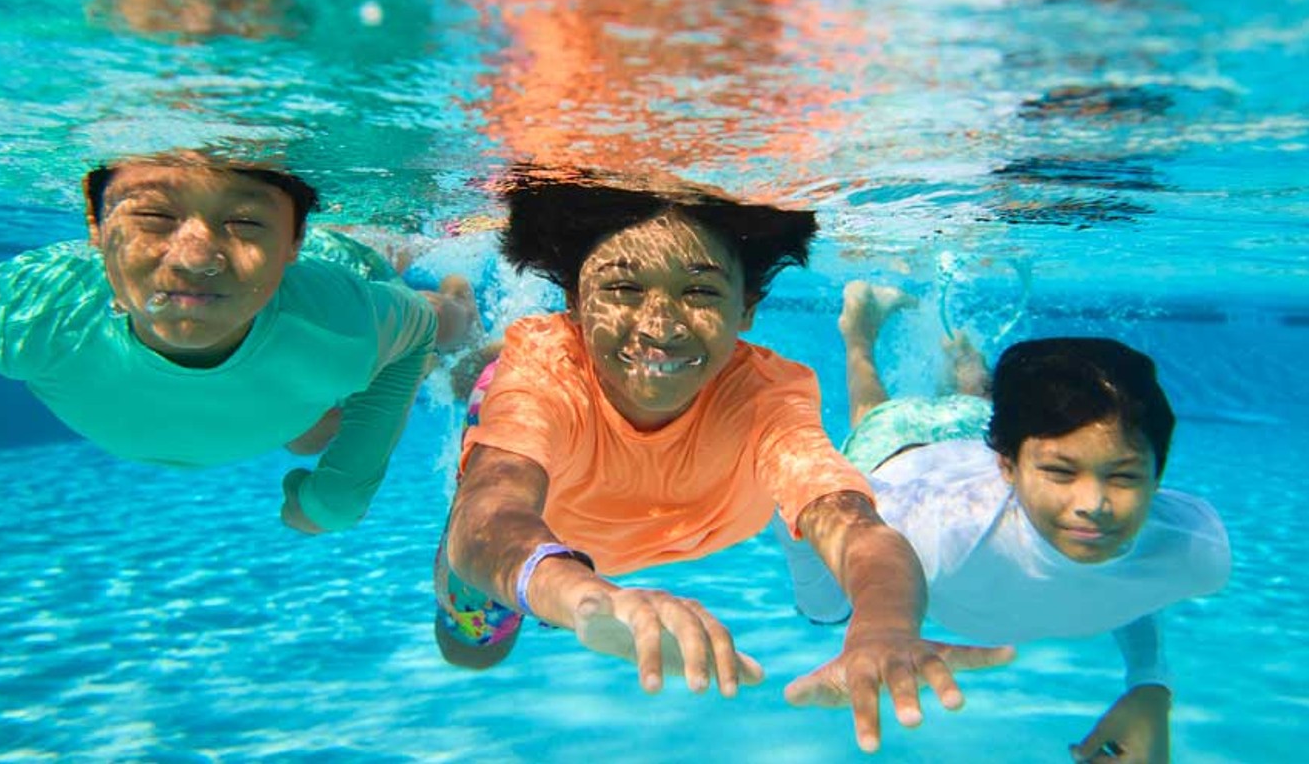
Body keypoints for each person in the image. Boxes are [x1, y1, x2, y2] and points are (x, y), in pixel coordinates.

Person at [433, 170, 1012, 755]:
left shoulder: (766, 397)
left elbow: (854, 525)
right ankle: (478, 353)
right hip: (552, 514)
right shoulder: (546, 376)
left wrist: (885, 624)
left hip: (589, 503)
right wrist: (583, 595)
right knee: (468, 649)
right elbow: (490, 517)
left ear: (747, 309)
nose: (660, 325)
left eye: (701, 291)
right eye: (624, 291)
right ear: (577, 303)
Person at [776, 281, 1231, 763]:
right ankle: (860, 333)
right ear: (1007, 467)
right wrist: (881, 625)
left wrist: (1149, 688)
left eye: (1124, 476)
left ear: (1159, 474)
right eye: (1060, 474)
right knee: (875, 413)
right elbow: (849, 534)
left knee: (978, 405)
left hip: (973, 436)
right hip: (899, 456)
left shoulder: (1194, 549)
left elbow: (1141, 577)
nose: (1093, 504)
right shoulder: (941, 530)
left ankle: (960, 349)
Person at [0, 149, 478, 534]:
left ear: (294, 239)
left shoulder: (336, 320)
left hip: (343, 269)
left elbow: (417, 334)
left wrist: (342, 495)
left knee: (435, 324)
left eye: (244, 222)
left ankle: (460, 300)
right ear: (96, 223)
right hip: (293, 387)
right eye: (153, 217)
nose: (192, 259)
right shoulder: (29, 318)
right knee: (310, 427)